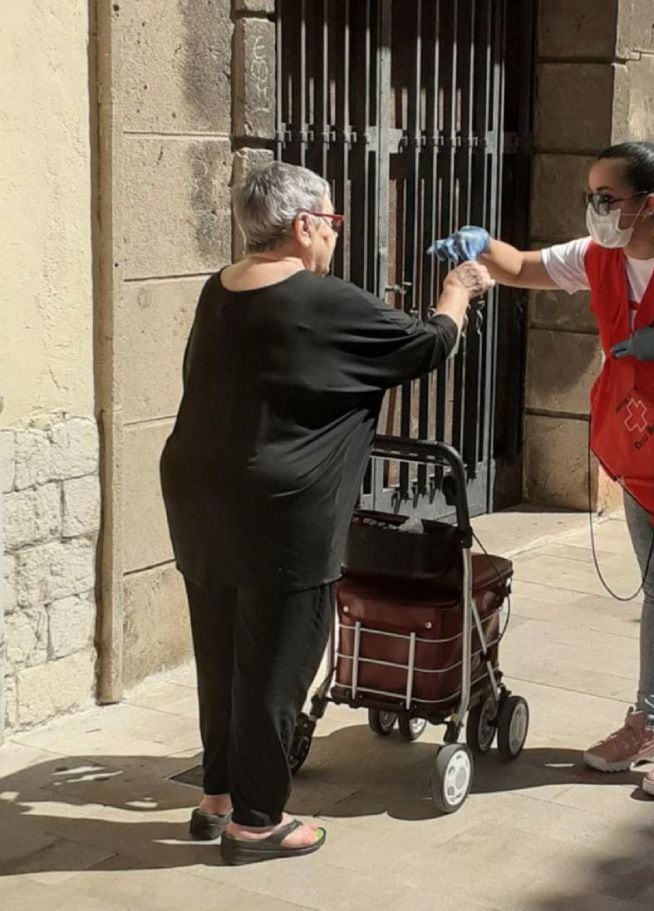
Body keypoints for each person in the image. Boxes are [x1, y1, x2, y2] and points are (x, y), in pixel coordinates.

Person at [161, 161, 492, 862]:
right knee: (277, 664)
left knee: (219, 650)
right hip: (281, 511)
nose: (335, 237)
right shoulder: (322, 300)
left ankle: (216, 795)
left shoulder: (216, 289)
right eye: (334, 222)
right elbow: (428, 343)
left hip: (198, 494)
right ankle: (257, 820)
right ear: (306, 224)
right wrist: (457, 289)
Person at [429, 141, 654, 800]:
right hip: (649, 453)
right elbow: (526, 266)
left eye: (606, 199)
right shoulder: (603, 258)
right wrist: (476, 244)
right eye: (590, 197)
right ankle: (648, 721)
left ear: (650, 204)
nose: (595, 210)